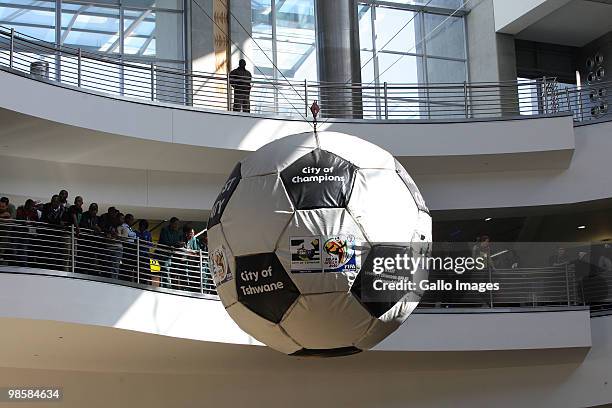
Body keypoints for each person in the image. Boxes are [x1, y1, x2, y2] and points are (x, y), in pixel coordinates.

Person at [159, 217, 184, 288]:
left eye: (177, 224)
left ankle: (171, 287)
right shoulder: (164, 230)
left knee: (172, 271)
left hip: (173, 255)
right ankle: (166, 287)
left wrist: (179, 244)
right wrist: (175, 244)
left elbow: (175, 242)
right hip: (164, 254)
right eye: (175, 224)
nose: (176, 226)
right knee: (165, 270)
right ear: (171, 223)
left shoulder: (177, 232)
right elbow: (164, 242)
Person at [15, 199, 39, 266]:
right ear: (26, 204)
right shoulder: (20, 209)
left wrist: (30, 222)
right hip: (19, 231)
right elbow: (18, 219)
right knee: (18, 249)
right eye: (31, 206)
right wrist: (26, 222)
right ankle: (18, 263)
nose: (32, 207)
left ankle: (24, 264)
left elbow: (36, 221)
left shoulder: (34, 211)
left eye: (33, 206)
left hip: (29, 233)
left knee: (24, 249)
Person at [79, 203, 101, 275]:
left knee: (93, 260)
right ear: (89, 209)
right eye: (92, 209)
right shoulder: (84, 215)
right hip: (84, 242)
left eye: (95, 210)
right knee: (83, 260)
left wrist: (98, 229)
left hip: (93, 243)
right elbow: (83, 226)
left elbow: (100, 229)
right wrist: (92, 228)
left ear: (97, 211)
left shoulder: (97, 218)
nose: (93, 211)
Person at [117, 213, 137, 281]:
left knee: (130, 264)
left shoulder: (129, 227)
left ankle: (129, 277)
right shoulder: (124, 226)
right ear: (127, 219)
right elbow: (128, 235)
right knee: (126, 264)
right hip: (127, 246)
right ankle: (125, 278)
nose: (132, 221)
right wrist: (134, 234)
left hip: (131, 246)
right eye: (131, 219)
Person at [135, 219, 155, 286]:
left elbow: (151, 244)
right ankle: (138, 282)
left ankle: (148, 283)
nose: (143, 226)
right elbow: (134, 242)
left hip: (146, 254)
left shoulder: (148, 233)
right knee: (139, 269)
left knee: (147, 269)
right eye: (142, 225)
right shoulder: (135, 232)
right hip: (138, 254)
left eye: (144, 225)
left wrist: (146, 243)